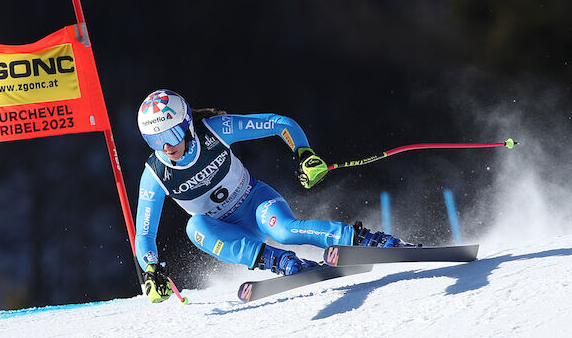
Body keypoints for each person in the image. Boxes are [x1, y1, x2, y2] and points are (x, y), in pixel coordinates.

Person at [135, 89, 411, 303]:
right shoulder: (155, 174)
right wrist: (151, 270)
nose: (167, 146)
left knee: (285, 230)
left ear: (185, 125)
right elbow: (144, 235)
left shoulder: (215, 131)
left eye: (170, 134)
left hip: (255, 203)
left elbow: (280, 123)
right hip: (228, 230)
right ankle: (285, 263)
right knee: (195, 226)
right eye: (155, 140)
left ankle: (372, 241)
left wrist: (304, 153)